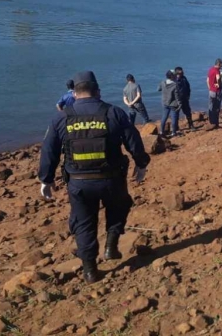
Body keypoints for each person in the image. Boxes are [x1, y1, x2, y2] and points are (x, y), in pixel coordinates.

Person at [38, 71, 150, 284]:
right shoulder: (114, 113)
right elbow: (133, 141)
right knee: (119, 206)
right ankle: (111, 245)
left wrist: (46, 179)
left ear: (75, 92)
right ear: (98, 90)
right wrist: (141, 164)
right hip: (112, 179)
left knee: (84, 223)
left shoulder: (61, 118)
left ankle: (90, 270)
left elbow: (49, 151)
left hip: (79, 184)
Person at [158, 70, 181, 137]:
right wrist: (180, 103)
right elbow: (177, 96)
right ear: (172, 76)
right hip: (173, 103)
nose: (176, 76)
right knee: (173, 118)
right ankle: (173, 132)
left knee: (164, 117)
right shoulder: (175, 85)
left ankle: (161, 131)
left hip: (164, 102)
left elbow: (158, 89)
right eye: (175, 75)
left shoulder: (163, 82)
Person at [174, 67, 196, 131]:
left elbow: (188, 86)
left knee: (188, 112)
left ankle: (191, 125)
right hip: (177, 100)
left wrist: (188, 95)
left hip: (185, 98)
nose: (182, 73)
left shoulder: (184, 78)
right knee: (176, 114)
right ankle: (176, 127)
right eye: (180, 72)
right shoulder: (174, 80)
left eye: (182, 72)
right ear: (177, 73)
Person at [206, 59, 222, 130]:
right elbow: (218, 77)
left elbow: (207, 80)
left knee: (211, 106)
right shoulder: (217, 70)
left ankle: (211, 121)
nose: (221, 66)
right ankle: (215, 123)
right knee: (216, 107)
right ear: (219, 64)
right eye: (221, 65)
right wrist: (219, 84)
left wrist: (210, 88)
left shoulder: (210, 69)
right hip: (216, 92)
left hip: (211, 91)